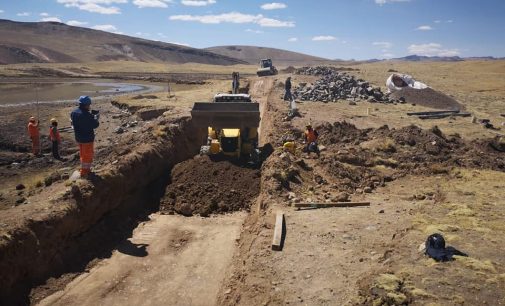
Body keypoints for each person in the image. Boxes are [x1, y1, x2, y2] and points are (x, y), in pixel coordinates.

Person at [71, 96, 99, 178]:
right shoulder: (87, 115)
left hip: (79, 138)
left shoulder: (74, 113)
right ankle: (85, 172)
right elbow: (95, 125)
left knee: (83, 154)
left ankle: (84, 169)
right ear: (86, 105)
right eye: (89, 105)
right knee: (88, 155)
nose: (89, 106)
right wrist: (96, 118)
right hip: (87, 139)